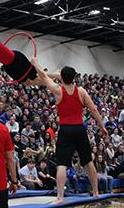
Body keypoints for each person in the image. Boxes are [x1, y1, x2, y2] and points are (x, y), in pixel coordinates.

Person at [31, 58, 108, 204]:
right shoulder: (81, 91)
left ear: (61, 78)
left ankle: (60, 196)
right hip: (80, 129)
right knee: (87, 161)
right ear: (74, 77)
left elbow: (44, 76)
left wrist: (36, 64)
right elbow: (94, 109)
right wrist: (102, 126)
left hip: (66, 129)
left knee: (62, 164)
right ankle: (96, 192)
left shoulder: (58, 90)